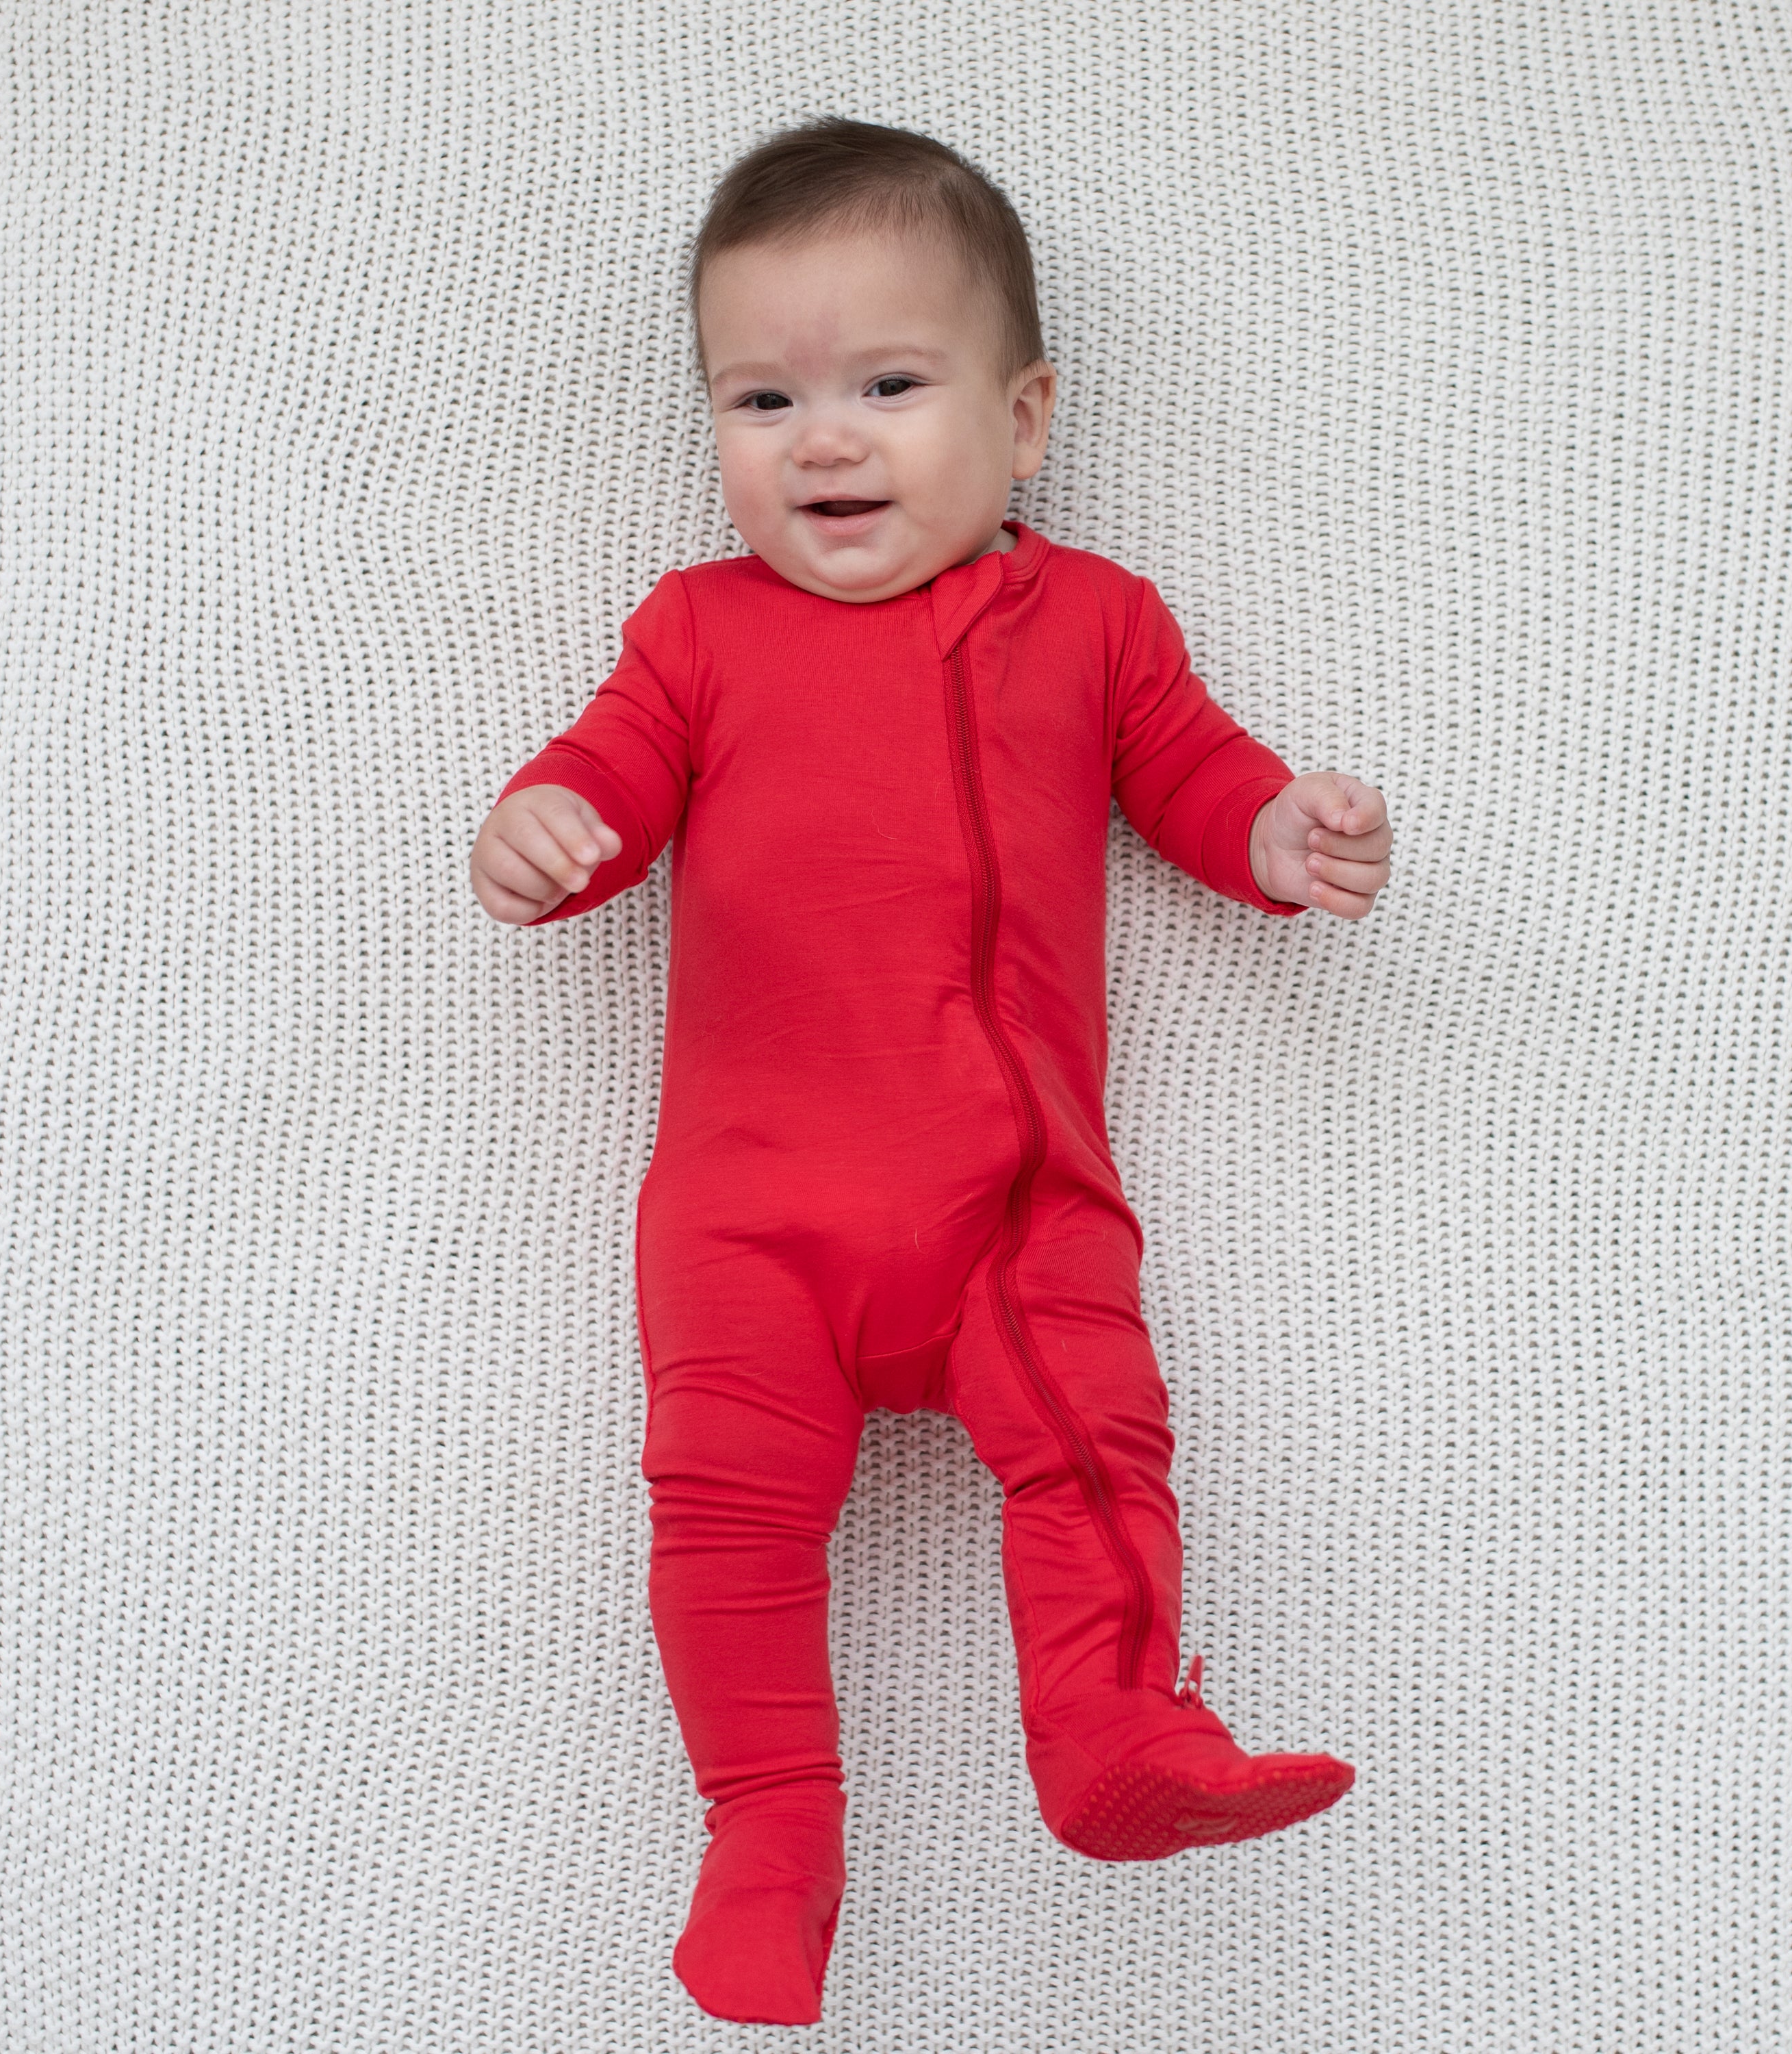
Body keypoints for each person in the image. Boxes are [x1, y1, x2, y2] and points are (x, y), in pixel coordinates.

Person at [468, 116, 1393, 2029]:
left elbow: (1197, 777)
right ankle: (770, 1833)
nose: (823, 439)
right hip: (753, 1218)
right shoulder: (699, 633)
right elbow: (613, 777)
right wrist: (548, 826)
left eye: (890, 386)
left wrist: (1281, 835)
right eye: (764, 395)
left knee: (1098, 1446)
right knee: (722, 1516)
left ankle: (1112, 1733)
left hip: (1017, 1202)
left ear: (1025, 416)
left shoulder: (1104, 624)